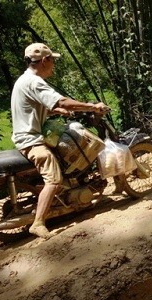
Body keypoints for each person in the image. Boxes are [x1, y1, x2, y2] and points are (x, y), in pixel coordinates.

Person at [11, 42, 109, 239]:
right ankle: (38, 223)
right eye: (52, 61)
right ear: (45, 61)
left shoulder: (24, 80)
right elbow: (61, 100)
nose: (53, 65)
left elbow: (34, 106)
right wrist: (92, 107)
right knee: (53, 178)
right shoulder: (34, 81)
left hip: (29, 135)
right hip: (31, 141)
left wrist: (56, 110)